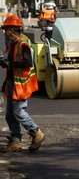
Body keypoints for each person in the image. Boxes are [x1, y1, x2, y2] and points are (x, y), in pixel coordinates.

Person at [0, 15, 45, 153]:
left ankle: (36, 132)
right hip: (13, 82)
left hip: (22, 84)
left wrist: (9, 64)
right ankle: (15, 142)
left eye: (6, 30)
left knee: (19, 112)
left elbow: (27, 62)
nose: (5, 33)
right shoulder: (13, 44)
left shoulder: (23, 43)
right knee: (10, 115)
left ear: (12, 30)